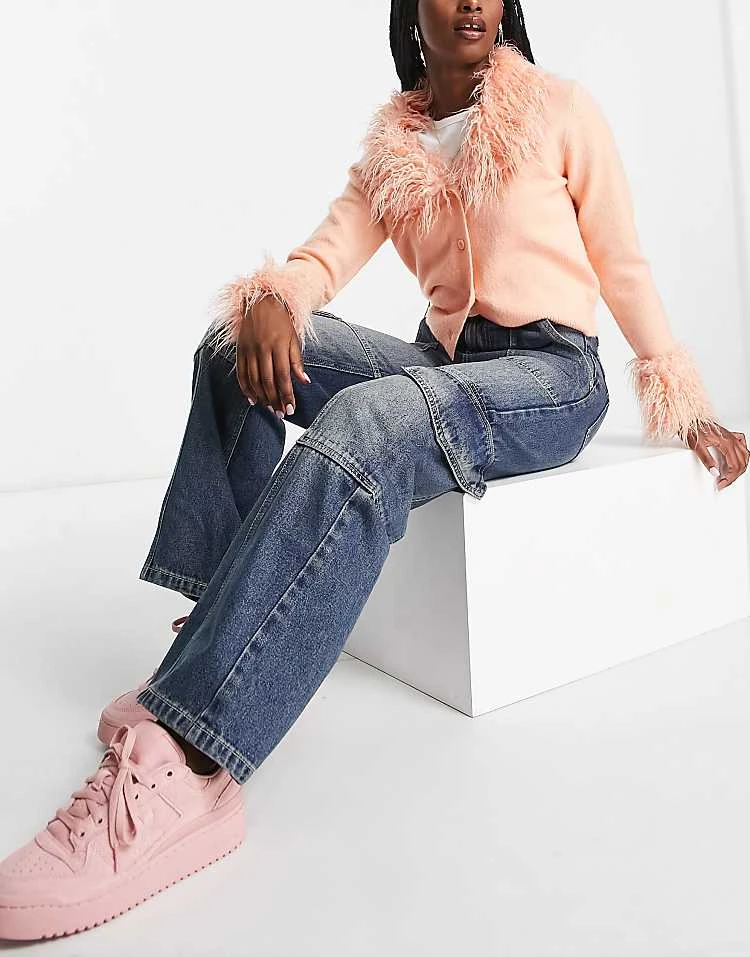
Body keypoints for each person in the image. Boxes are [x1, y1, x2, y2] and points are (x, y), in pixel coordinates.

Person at [1, 0, 747, 941]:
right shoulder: (395, 150)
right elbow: (326, 255)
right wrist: (276, 297)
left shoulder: (561, 108)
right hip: (445, 367)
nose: (470, 1)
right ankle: (209, 643)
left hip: (553, 377)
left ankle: (191, 751)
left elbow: (622, 260)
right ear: (411, 10)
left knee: (370, 420)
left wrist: (686, 399)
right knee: (235, 345)